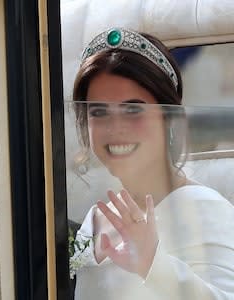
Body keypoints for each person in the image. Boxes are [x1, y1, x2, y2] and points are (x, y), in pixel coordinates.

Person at [70, 28, 234, 299]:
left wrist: (154, 266)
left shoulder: (205, 209)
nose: (115, 128)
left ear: (169, 119)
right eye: (98, 111)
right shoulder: (94, 221)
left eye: (133, 109)